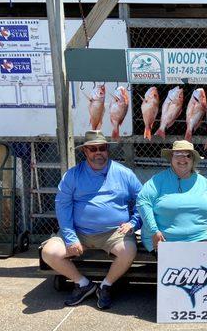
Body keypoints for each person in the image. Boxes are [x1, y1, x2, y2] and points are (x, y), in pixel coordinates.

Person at [41, 130, 142, 310]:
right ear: (85, 152)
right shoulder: (72, 175)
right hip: (79, 232)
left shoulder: (124, 174)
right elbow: (62, 206)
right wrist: (70, 237)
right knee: (49, 252)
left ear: (107, 150)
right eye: (92, 149)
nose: (98, 153)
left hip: (114, 233)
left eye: (101, 148)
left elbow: (143, 202)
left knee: (129, 251)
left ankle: (105, 286)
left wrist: (134, 222)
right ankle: (83, 284)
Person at [137, 140, 207, 251]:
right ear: (171, 158)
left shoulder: (206, 184)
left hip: (202, 238)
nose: (183, 159)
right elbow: (143, 201)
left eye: (188, 155)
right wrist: (153, 231)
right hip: (165, 241)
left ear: (193, 160)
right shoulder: (157, 181)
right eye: (178, 154)